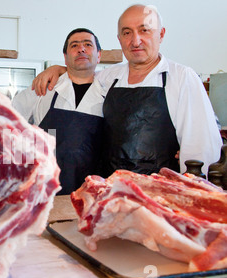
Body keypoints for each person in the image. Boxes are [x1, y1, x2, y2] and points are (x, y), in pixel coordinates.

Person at [32, 4, 222, 177]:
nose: (135, 41)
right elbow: (80, 74)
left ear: (161, 34)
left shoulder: (181, 78)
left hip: (158, 194)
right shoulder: (108, 77)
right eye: (127, 33)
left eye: (144, 30)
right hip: (110, 191)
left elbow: (201, 149)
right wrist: (58, 69)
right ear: (119, 39)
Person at [12, 28, 104, 195]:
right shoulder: (43, 87)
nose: (81, 49)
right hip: (43, 190)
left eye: (88, 44)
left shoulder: (110, 91)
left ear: (99, 55)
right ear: (65, 57)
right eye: (74, 45)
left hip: (92, 192)